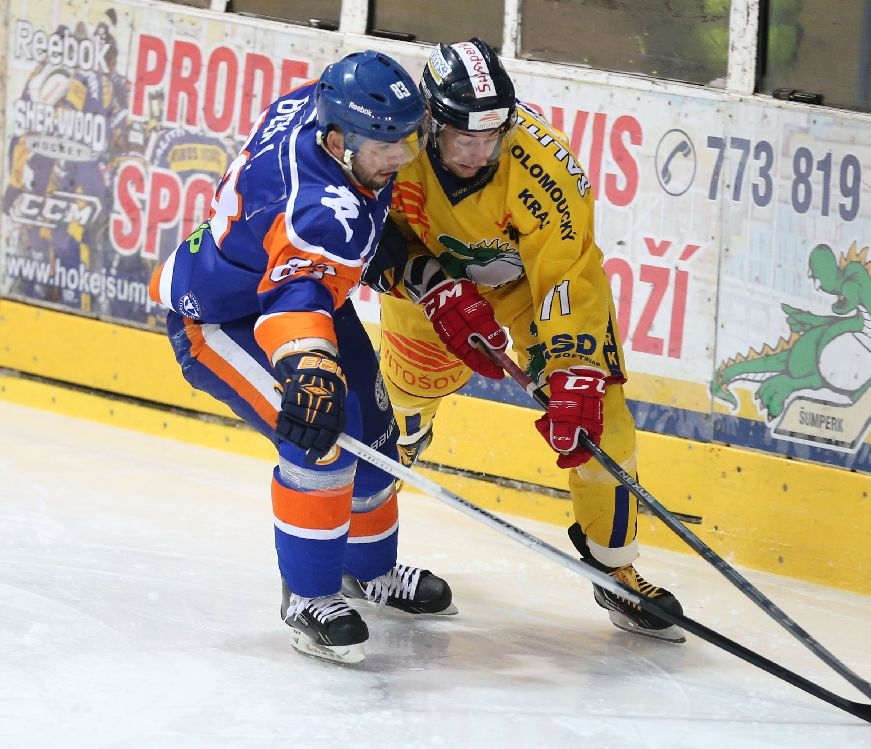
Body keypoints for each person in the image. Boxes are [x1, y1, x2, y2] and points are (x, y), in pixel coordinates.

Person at [148, 50, 456, 666]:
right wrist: (309, 364)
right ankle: (309, 596)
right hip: (224, 318)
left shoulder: (323, 114)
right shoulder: (318, 213)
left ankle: (369, 571)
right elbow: (294, 299)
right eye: (384, 147)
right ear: (339, 139)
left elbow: (317, 268)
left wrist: (392, 255)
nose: (399, 159)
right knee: (324, 435)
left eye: (406, 140)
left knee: (376, 429)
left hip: (299, 286)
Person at [376, 39, 685, 642]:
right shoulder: (392, 142)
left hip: (525, 290)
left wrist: (574, 371)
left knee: (602, 423)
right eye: (463, 137)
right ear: (432, 121)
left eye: (490, 138)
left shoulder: (545, 167)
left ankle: (613, 562)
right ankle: (361, 542)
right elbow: (359, 232)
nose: (477, 153)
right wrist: (428, 283)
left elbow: (568, 275)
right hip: (426, 283)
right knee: (396, 411)